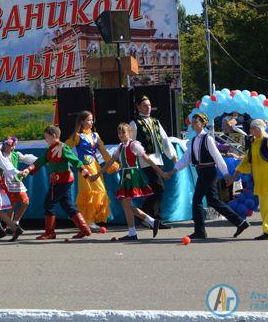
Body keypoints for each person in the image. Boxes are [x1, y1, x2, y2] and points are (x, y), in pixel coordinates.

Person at [164, 113, 249, 240]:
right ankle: (240, 222)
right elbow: (186, 158)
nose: (193, 124)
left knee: (197, 200)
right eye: (192, 122)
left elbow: (217, 157)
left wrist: (225, 173)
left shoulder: (207, 139)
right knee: (214, 201)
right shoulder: (193, 140)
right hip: (202, 172)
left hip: (208, 172)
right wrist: (173, 170)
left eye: (195, 122)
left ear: (203, 124)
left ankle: (200, 231)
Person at [98, 123, 165, 241]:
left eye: (123, 132)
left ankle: (134, 232)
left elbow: (147, 159)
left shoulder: (134, 145)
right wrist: (98, 174)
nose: (121, 135)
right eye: (119, 132)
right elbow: (110, 161)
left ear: (130, 133)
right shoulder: (120, 147)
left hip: (132, 175)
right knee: (126, 205)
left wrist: (161, 172)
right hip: (125, 175)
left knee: (126, 204)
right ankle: (150, 222)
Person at [24, 126, 91, 240]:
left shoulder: (62, 147)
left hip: (62, 180)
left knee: (49, 203)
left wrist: (83, 171)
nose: (45, 139)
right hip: (59, 180)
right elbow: (40, 161)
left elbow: (74, 160)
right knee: (67, 205)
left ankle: (50, 232)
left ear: (53, 136)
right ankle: (84, 229)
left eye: (46, 137)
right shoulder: (49, 150)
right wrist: (28, 169)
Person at [129, 95, 176, 228]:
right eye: (145, 105)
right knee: (158, 187)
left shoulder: (155, 121)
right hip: (145, 160)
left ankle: (154, 220)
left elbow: (165, 138)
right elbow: (131, 143)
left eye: (149, 105)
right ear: (138, 107)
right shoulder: (135, 123)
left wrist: (172, 155)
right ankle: (145, 215)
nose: (148, 107)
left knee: (157, 189)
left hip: (158, 159)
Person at [65, 111, 113, 230]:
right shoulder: (77, 136)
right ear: (82, 121)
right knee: (89, 192)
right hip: (85, 168)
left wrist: (112, 164)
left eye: (92, 120)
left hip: (95, 166)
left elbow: (103, 151)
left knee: (100, 191)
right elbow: (65, 148)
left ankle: (91, 220)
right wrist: (76, 161)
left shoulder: (95, 135)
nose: (91, 122)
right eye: (88, 120)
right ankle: (89, 221)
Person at [0, 136, 36, 230]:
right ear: (5, 145)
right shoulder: (0, 155)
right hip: (6, 182)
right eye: (12, 146)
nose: (14, 148)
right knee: (11, 205)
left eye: (15, 145)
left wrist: (39, 161)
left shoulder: (16, 154)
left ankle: (15, 222)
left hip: (16, 181)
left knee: (25, 202)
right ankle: (9, 227)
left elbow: (26, 158)